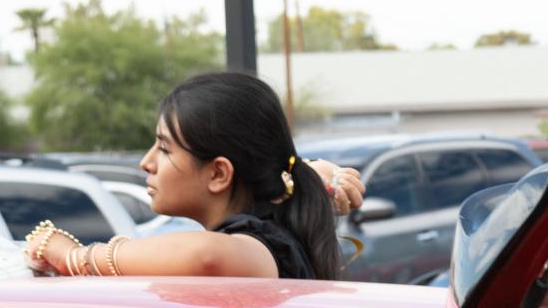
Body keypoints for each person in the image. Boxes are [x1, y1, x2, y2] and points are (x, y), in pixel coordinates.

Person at [23, 71, 347, 280]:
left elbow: (204, 256)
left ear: (218, 173)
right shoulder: (264, 241)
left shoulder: (261, 250)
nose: (146, 162)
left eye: (164, 149)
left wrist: (74, 257)